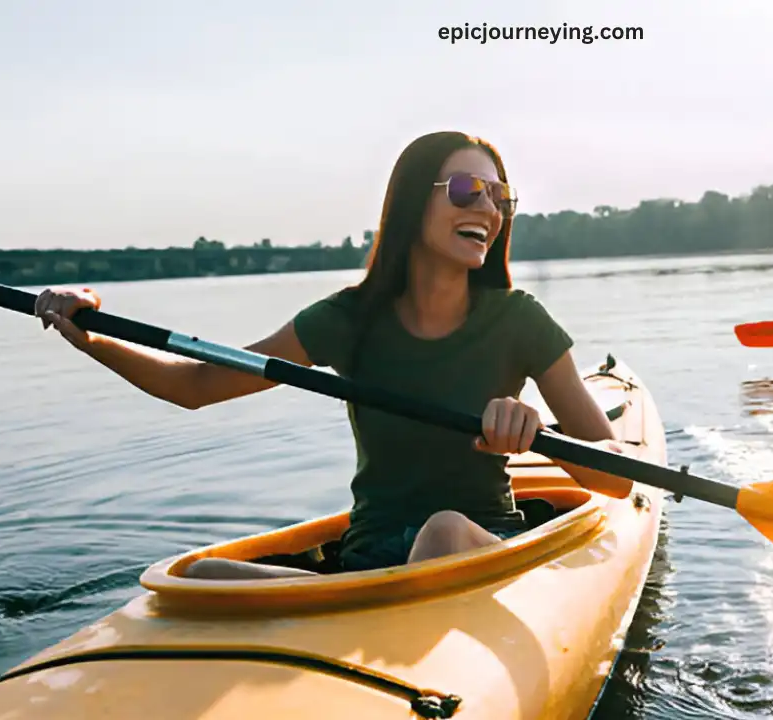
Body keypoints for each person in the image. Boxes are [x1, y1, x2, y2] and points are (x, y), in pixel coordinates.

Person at [32, 131, 623, 579]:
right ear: (414, 203)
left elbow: (616, 476)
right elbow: (194, 385)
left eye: (501, 197)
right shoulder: (346, 320)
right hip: (369, 563)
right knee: (199, 574)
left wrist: (536, 429)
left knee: (442, 531)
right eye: (469, 190)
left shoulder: (519, 320)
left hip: (477, 544)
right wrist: (90, 334)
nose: (489, 211)